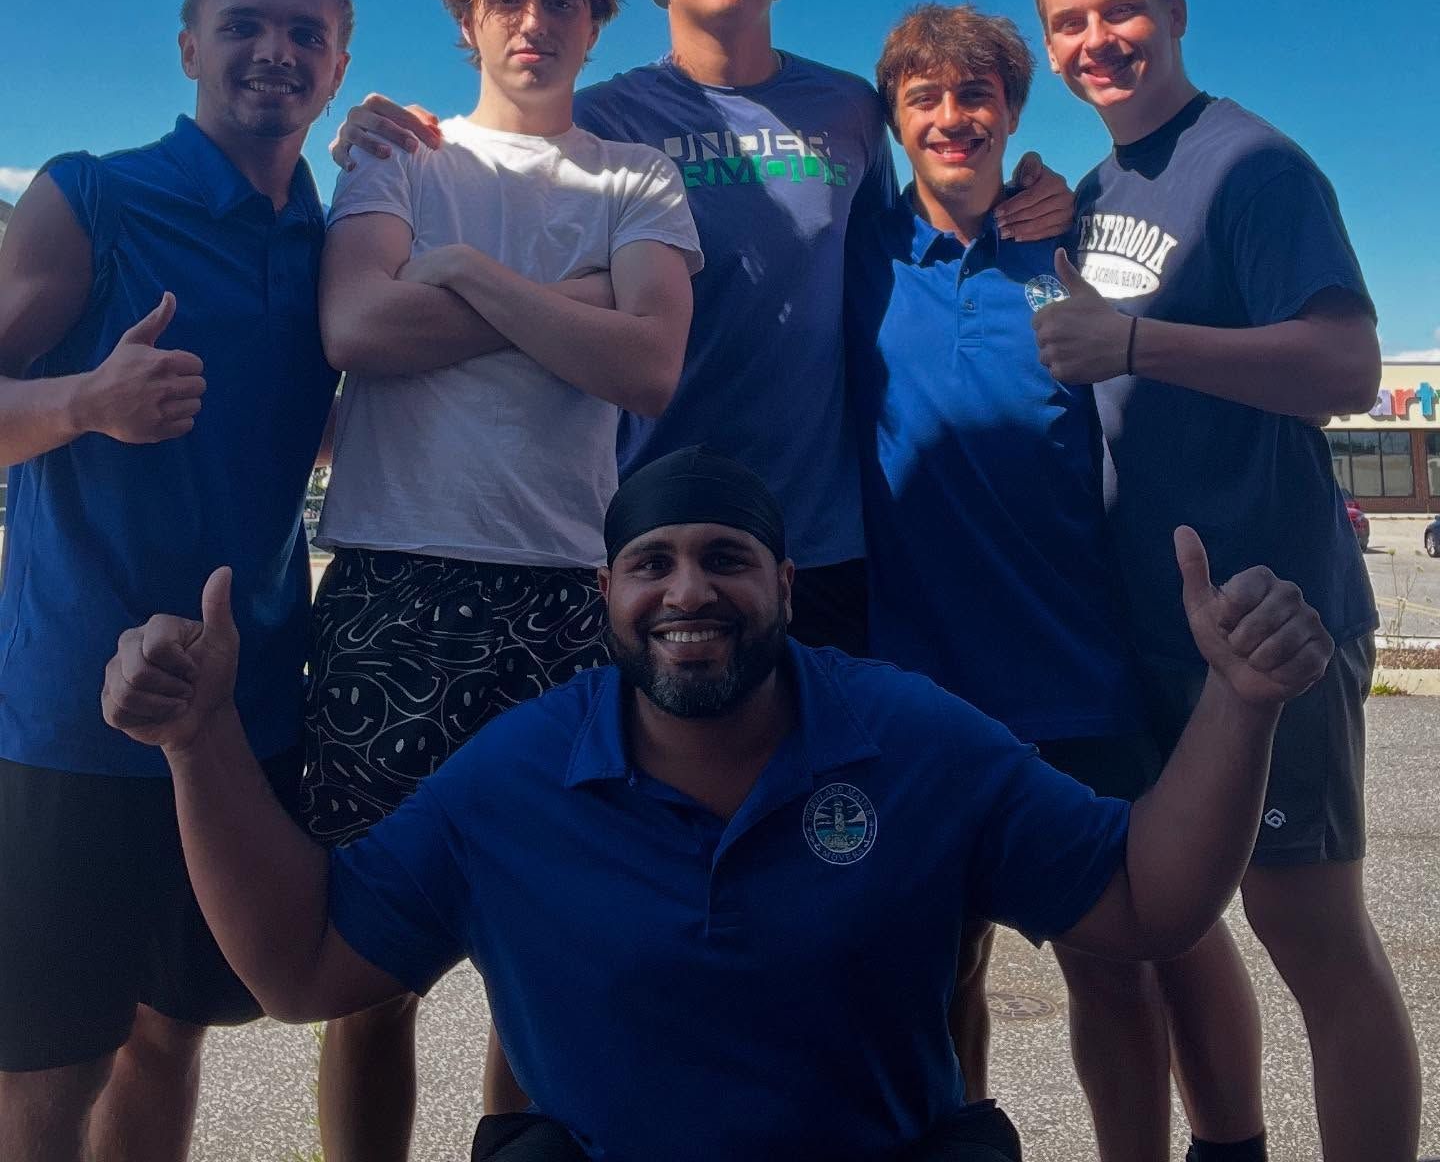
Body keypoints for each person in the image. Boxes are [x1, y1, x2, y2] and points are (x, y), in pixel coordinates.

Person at [102, 446, 1335, 1162]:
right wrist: (198, 742)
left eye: (726, 558)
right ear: (607, 595)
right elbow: (306, 970)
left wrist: (1242, 704)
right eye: (653, 563)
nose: (688, 590)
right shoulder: (517, 774)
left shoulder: (912, 737)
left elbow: (1144, 903)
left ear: (786, 584)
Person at [333, 0, 1072, 659]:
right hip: (651, 514)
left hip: (822, 523)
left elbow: (904, 241)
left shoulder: (850, 109)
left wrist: (1028, 186)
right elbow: (513, 136)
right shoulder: (606, 118)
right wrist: (384, 124)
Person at [307, 0, 701, 1162]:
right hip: (394, 580)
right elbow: (357, 333)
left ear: (596, 21)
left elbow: (647, 366)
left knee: (546, 958)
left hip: (562, 600)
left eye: (562, 2)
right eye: (508, 1)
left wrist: (470, 276)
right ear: (468, 17)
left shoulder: (636, 176)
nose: (535, 24)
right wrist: (569, 303)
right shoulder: (398, 158)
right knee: (370, 969)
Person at [1032, 0, 1417, 1162]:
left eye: (1123, 10)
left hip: (1273, 618)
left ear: (1177, 11)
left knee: (1312, 936)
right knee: (1171, 921)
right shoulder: (1094, 198)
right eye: (1073, 23)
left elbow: (1346, 365)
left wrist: (1138, 344)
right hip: (1141, 626)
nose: (1101, 40)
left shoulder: (1253, 167)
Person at [0, 0, 351, 1162]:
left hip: (245, 722)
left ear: (341, 62)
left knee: (171, 1032)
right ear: (190, 46)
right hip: (68, 724)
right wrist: (82, 402)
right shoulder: (90, 195)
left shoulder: (339, 243)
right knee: (47, 1070)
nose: (277, 50)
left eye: (307, 33)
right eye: (247, 23)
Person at [847, 1, 1190, 1161]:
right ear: (895, 119)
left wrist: (1052, 211)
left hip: (1076, 677)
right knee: (937, 976)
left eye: (976, 95)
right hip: (919, 689)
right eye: (926, 98)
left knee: (1116, 972)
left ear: (1012, 110)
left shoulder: (1069, 253)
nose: (953, 117)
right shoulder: (860, 256)